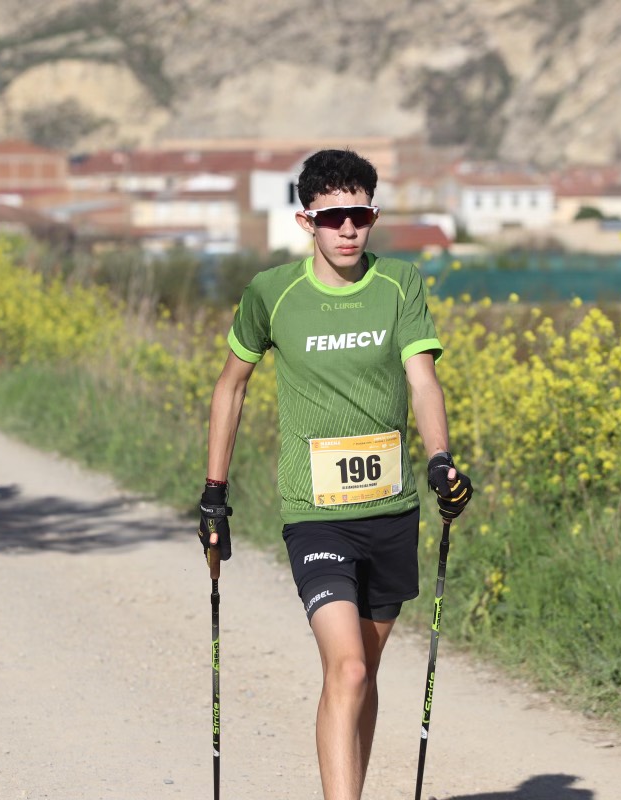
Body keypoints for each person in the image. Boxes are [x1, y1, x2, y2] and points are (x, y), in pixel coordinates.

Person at [198, 148, 474, 800]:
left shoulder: (399, 283)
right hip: (316, 513)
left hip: (391, 510)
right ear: (306, 222)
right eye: (334, 218)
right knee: (346, 668)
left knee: (364, 674)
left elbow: (422, 377)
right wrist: (214, 493)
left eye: (361, 215)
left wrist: (440, 459)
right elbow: (230, 388)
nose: (348, 230)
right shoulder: (272, 293)